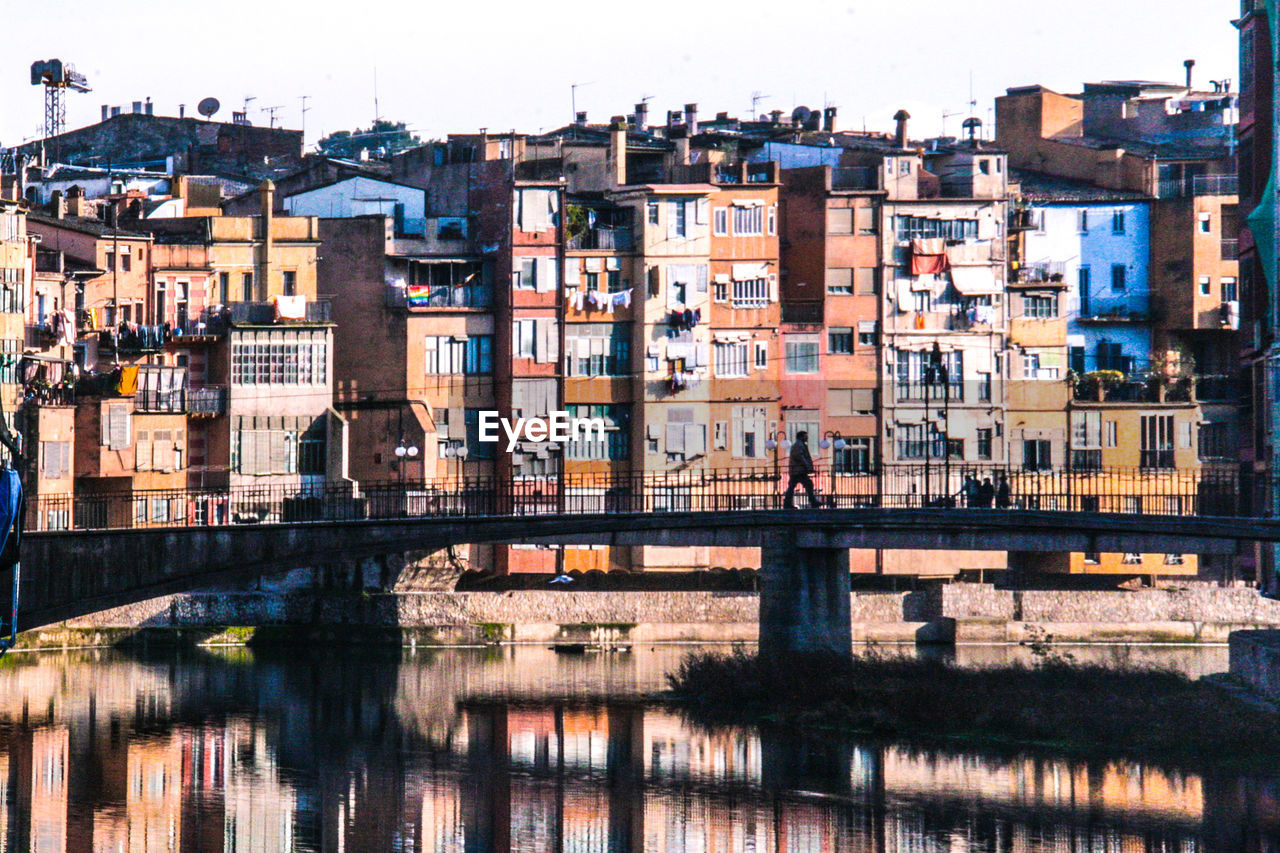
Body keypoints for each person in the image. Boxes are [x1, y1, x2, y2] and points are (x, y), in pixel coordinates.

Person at [784, 431, 821, 509]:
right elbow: (800, 457)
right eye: (805, 436)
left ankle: (787, 503)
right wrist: (808, 466)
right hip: (799, 470)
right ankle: (813, 501)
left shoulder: (799, 445)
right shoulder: (799, 445)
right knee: (808, 484)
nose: (807, 438)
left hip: (797, 470)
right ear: (801, 437)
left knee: (792, 486)